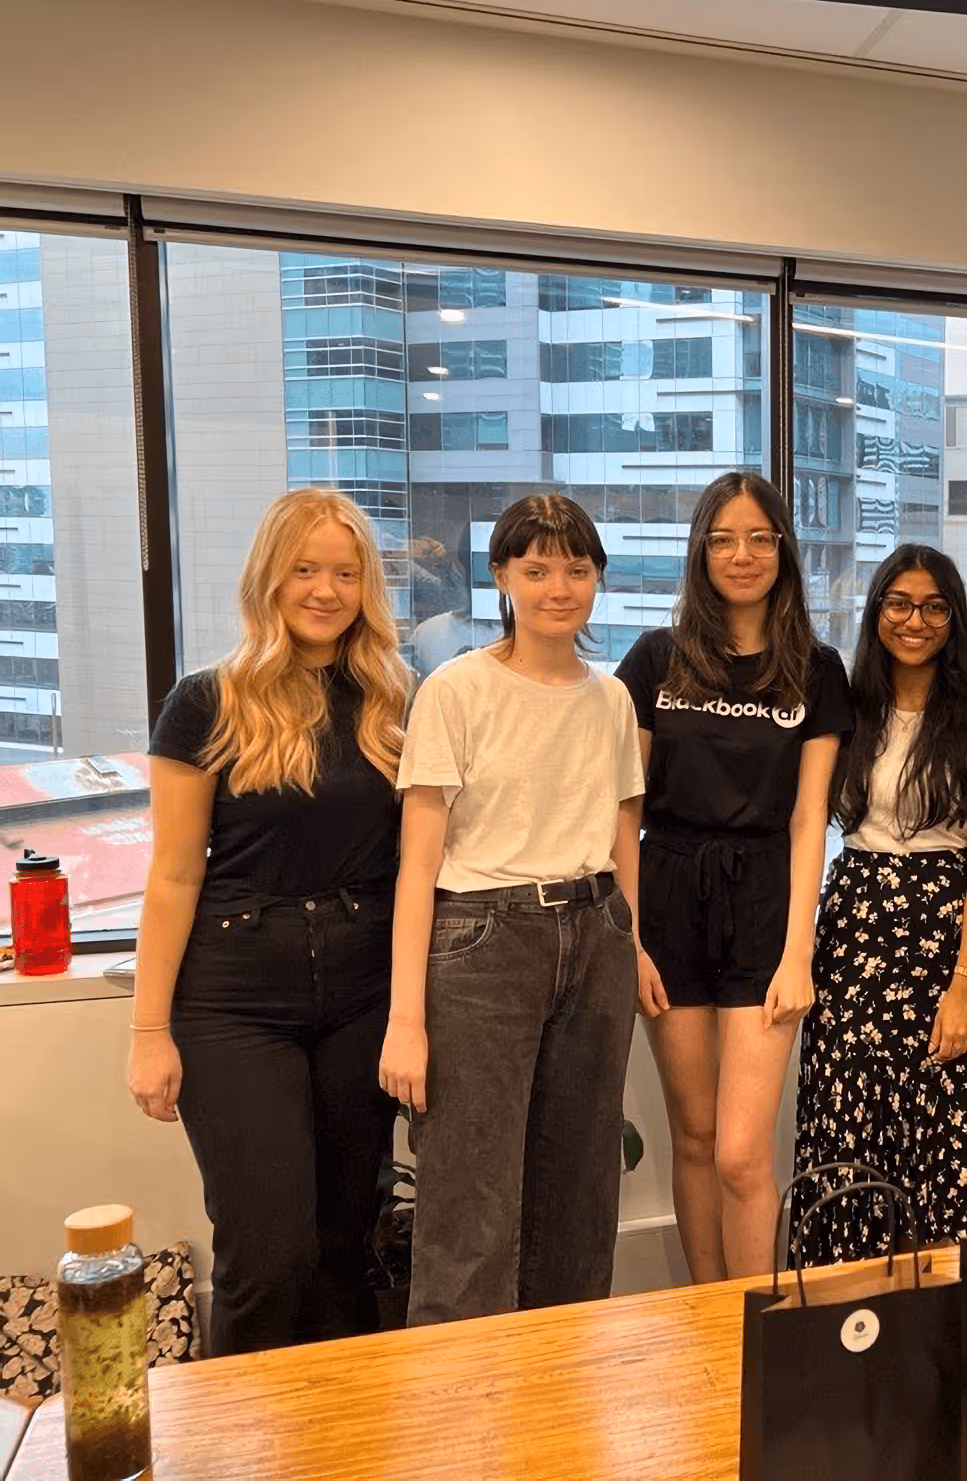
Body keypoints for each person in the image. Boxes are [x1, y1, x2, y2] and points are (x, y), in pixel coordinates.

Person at [126, 489, 409, 1355]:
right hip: (233, 1002)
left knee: (344, 1246)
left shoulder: (398, 701)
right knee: (268, 1252)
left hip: (363, 999)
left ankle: (342, 1439)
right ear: (269, 579)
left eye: (345, 572)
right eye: (305, 569)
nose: (325, 590)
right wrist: (148, 1032)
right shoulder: (207, 702)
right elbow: (173, 875)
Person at [378, 494, 652, 1324]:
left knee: (579, 1193)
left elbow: (621, 831)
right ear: (501, 577)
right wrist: (405, 1019)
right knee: (470, 1197)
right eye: (535, 570)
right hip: (481, 942)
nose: (558, 588)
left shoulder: (610, 700)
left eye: (576, 569)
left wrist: (631, 943)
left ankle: (559, 1400)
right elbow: (418, 860)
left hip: (596, 932)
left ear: (598, 577)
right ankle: (460, 1422)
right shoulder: (457, 689)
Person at [614, 472, 850, 1282]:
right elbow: (623, 811)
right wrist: (632, 938)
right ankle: (705, 1313)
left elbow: (809, 818)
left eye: (758, 537)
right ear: (700, 553)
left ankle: (758, 1322)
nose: (741, 555)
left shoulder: (817, 671)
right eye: (722, 539)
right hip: (669, 891)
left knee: (745, 1153)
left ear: (782, 549)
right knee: (694, 1139)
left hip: (765, 900)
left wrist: (798, 953)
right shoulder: (655, 659)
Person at [793, 545, 967, 1261]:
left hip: (944, 931)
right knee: (845, 1120)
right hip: (855, 922)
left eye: (932, 606)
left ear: (953, 618)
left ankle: (935, 1342)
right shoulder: (848, 708)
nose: (913, 621)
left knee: (940, 1128)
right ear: (876, 612)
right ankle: (839, 1319)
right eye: (898, 603)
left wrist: (966, 987)